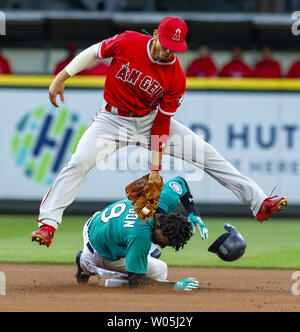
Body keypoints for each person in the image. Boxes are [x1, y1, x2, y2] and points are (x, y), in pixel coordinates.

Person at [31, 16, 287, 248]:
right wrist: (63, 76)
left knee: (207, 154)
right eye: (165, 45)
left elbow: (162, 126)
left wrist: (155, 170)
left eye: (174, 49)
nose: (168, 52)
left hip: (149, 121)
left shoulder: (176, 77)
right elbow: (94, 53)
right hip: (111, 121)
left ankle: (259, 203)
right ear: (155, 34)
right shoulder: (128, 42)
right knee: (78, 163)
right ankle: (48, 224)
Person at [75, 176, 205, 289]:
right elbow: (135, 282)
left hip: (99, 220)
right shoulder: (140, 236)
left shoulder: (161, 200)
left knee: (151, 251)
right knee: (159, 270)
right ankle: (85, 263)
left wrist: (193, 212)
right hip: (99, 250)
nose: (164, 245)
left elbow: (180, 182)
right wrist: (175, 286)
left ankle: (137, 259)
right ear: (158, 226)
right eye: (163, 242)